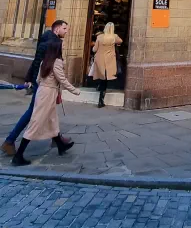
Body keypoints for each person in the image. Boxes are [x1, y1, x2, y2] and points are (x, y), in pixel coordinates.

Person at [1, 20, 71, 156]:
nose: (66, 31)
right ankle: (9, 141)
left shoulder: (45, 39)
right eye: (64, 28)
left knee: (49, 112)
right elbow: (48, 66)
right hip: (45, 84)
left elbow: (36, 61)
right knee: (32, 112)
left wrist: (29, 78)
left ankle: (57, 140)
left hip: (40, 82)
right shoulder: (55, 43)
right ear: (56, 29)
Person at [12, 38, 80, 166]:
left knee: (52, 120)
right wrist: (75, 91)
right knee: (36, 122)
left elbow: (38, 79)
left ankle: (60, 145)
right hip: (48, 93)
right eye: (62, 46)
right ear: (57, 49)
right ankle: (18, 156)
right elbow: (62, 80)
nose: (64, 48)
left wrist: (45, 85)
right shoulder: (57, 62)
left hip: (42, 91)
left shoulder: (45, 61)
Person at [92, 22, 122, 108]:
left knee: (102, 76)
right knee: (105, 77)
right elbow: (120, 41)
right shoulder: (114, 37)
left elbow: (94, 49)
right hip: (109, 60)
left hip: (100, 59)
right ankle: (101, 100)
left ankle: (100, 91)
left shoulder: (99, 37)